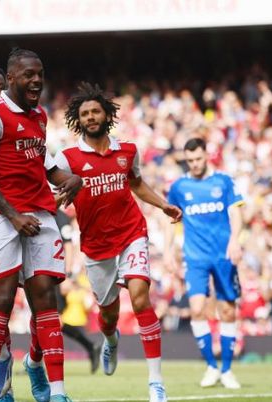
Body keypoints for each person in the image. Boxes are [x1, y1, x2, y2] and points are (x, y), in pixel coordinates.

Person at [55, 82, 182, 402]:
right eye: (84, 113)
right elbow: (50, 189)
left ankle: (156, 382)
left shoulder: (127, 151)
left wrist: (162, 204)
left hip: (131, 234)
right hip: (97, 247)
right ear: (78, 119)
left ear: (106, 114)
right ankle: (109, 341)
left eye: (95, 111)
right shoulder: (68, 158)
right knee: (108, 315)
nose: (90, 117)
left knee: (141, 298)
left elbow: (137, 185)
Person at [0, 48, 82, 402]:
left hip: (42, 214)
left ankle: (58, 390)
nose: (37, 80)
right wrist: (12, 215)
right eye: (29, 74)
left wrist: (73, 179)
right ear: (12, 78)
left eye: (40, 73)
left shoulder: (39, 116)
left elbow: (46, 166)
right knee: (1, 301)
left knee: (46, 301)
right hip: (3, 217)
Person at [164, 137, 244, 389]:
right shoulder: (179, 186)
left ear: (206, 155)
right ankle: (211, 366)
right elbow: (171, 218)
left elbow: (236, 213)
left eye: (198, 159)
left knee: (228, 311)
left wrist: (235, 240)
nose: (194, 164)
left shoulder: (223, 181)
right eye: (189, 161)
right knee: (197, 309)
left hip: (223, 256)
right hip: (195, 257)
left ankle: (228, 369)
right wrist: (167, 251)